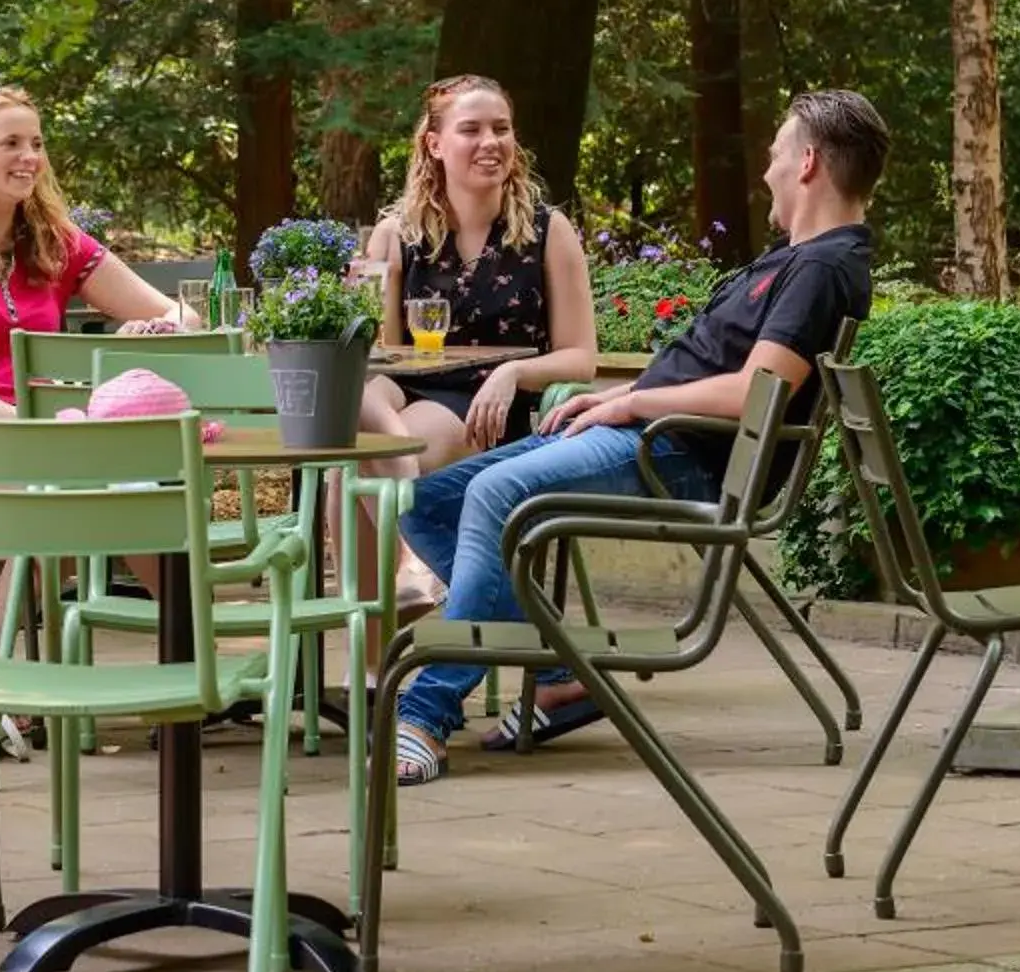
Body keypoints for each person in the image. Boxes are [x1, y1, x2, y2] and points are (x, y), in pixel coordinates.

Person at [389, 90, 888, 786]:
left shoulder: (823, 268)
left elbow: (753, 392)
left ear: (807, 165)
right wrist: (620, 395)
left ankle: (426, 711)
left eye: (775, 156)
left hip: (683, 454)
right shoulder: (795, 259)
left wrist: (635, 406)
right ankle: (565, 673)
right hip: (657, 431)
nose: (766, 171)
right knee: (422, 502)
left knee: (498, 492)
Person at [352, 76, 596, 610]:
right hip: (406, 389)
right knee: (359, 407)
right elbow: (386, 356)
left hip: (489, 403)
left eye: (501, 129)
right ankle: (409, 566)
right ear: (434, 145)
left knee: (352, 464)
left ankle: (374, 651)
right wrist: (374, 286)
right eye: (472, 129)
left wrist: (513, 374)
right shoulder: (396, 234)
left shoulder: (546, 232)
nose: (491, 142)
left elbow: (582, 354)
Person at [0, 84, 190, 417]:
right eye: (11, 143)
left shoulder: (54, 242)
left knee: (160, 445)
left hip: (41, 425)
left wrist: (151, 331)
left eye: (37, 144)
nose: (30, 157)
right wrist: (35, 429)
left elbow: (182, 315)